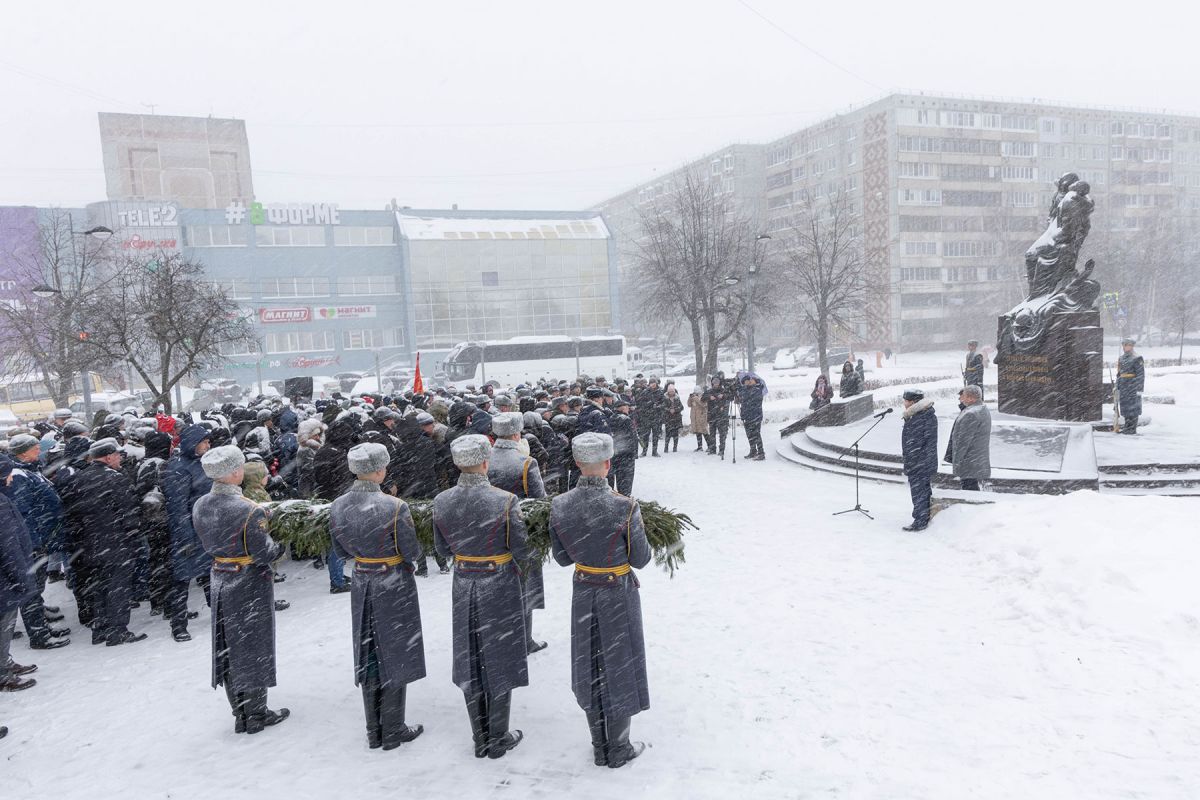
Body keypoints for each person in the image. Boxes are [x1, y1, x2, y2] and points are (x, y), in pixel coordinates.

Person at [549, 432, 651, 769]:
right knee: (619, 663)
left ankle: (598, 744)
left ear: (578, 463)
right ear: (607, 464)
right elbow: (641, 559)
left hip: (584, 589)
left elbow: (562, 558)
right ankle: (618, 747)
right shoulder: (625, 505)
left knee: (589, 664)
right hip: (617, 592)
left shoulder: (560, 504)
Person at [432, 434, 529, 760]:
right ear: (485, 463)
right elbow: (521, 548)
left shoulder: (442, 500)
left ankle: (480, 736)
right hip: (499, 582)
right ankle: (498, 737)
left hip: (464, 583)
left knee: (470, 656)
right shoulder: (504, 500)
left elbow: (442, 549)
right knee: (499, 655)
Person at [330, 443, 426, 750]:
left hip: (361, 581)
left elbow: (341, 550)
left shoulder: (338, 505)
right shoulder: (394, 506)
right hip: (393, 581)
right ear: (379, 471)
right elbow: (411, 551)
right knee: (395, 653)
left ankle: (375, 730)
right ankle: (394, 729)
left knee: (368, 654)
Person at [193, 445, 289, 735]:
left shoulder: (201, 504)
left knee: (228, 646)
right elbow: (264, 551)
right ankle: (257, 713)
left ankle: (240, 712)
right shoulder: (248, 509)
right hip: (249, 581)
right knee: (253, 646)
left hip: (220, 576)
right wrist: (280, 544)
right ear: (235, 472)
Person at [63, 438, 146, 646]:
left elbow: (70, 514)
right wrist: (133, 536)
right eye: (118, 455)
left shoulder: (78, 478)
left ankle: (99, 629)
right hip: (116, 542)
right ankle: (117, 630)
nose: (120, 458)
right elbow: (130, 513)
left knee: (99, 586)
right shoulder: (115, 479)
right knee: (118, 587)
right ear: (108, 457)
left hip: (88, 544)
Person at [487, 413, 548, 654]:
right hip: (521, 533)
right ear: (516, 434)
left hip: (488, 533)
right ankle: (524, 639)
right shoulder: (526, 462)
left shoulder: (484, 460)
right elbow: (539, 501)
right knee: (524, 588)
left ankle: (498, 633)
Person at [6, 434, 69, 650]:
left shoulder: (30, 471)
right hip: (33, 544)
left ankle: (41, 627)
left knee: (36, 589)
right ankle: (39, 635)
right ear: (22, 452)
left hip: (42, 538)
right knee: (31, 591)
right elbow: (24, 515)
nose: (38, 451)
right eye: (34, 448)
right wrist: (36, 543)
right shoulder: (18, 477)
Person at [163, 424, 213, 641]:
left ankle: (221, 615)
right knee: (182, 581)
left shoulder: (202, 464)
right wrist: (184, 537)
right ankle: (178, 625)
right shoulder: (178, 468)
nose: (208, 444)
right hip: (188, 532)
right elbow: (177, 507)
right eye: (204, 441)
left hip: (205, 530)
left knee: (212, 575)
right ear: (194, 443)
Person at [0, 455, 38, 693]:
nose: (12, 478)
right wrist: (21, 577)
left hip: (6, 576)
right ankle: (3, 673)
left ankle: (5, 662)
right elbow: (8, 545)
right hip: (5, 578)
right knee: (4, 624)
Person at [314, 415, 361, 593]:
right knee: (337, 540)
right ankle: (337, 581)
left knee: (334, 539)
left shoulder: (324, 450)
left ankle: (338, 574)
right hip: (337, 499)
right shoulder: (337, 453)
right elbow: (343, 478)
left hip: (326, 497)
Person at [900, 389, 938, 532]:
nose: (904, 403)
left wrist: (916, 460)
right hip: (918, 461)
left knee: (920, 492)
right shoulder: (918, 414)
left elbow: (923, 442)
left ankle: (920, 521)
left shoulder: (923, 416)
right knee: (921, 491)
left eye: (906, 400)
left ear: (913, 402)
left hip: (920, 462)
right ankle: (922, 517)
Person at [945, 385, 991, 491]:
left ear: (971, 398)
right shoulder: (981, 409)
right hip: (975, 461)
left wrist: (957, 463)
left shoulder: (971, 414)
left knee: (970, 492)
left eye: (964, 396)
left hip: (968, 462)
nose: (961, 399)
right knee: (972, 489)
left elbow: (963, 442)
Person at [609, 398, 638, 496]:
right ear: (622, 408)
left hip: (614, 454)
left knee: (612, 483)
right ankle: (624, 504)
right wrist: (633, 453)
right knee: (625, 486)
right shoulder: (626, 419)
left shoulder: (610, 418)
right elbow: (632, 438)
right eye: (626, 407)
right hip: (626, 456)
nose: (628, 409)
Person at [1117, 338, 1145, 435]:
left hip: (1133, 386)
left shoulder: (1137, 358)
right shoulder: (1121, 358)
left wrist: (1139, 389)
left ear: (1132, 346)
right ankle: (1127, 427)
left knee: (1133, 409)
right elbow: (1119, 374)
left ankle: (1132, 429)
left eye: (1128, 345)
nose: (1126, 347)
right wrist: (1117, 386)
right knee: (1125, 408)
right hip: (1124, 387)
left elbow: (1141, 375)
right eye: (1125, 345)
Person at [737, 374, 766, 461]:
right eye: (749, 380)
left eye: (751, 380)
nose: (750, 381)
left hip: (755, 416)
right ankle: (753, 451)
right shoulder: (747, 390)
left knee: (756, 435)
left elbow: (749, 399)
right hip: (747, 416)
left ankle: (761, 453)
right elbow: (744, 399)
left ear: (755, 381)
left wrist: (743, 392)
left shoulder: (758, 389)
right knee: (749, 435)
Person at [636, 377, 665, 457]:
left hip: (656, 417)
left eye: (654, 383)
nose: (653, 384)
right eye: (651, 383)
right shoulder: (645, 392)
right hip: (647, 417)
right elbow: (640, 403)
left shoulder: (660, 392)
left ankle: (654, 451)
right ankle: (644, 451)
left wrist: (658, 406)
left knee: (655, 436)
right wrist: (649, 404)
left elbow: (664, 403)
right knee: (645, 435)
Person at [702, 376, 730, 457]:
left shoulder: (723, 391)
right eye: (714, 382)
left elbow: (730, 397)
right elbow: (702, 399)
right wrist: (709, 397)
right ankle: (712, 449)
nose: (716, 384)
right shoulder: (709, 391)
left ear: (720, 383)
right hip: (712, 416)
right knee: (712, 434)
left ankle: (722, 450)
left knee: (722, 434)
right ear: (712, 383)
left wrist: (723, 396)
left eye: (717, 382)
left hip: (722, 416)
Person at [662, 384, 683, 454]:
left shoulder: (677, 398)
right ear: (668, 392)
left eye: (672, 391)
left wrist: (675, 410)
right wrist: (669, 410)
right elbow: (663, 407)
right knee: (668, 434)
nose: (671, 393)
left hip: (676, 418)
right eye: (670, 391)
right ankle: (666, 447)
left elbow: (681, 407)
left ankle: (675, 447)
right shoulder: (665, 398)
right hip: (668, 418)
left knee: (675, 434)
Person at [687, 387, 710, 452]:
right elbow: (689, 405)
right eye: (695, 392)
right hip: (694, 417)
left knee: (704, 432)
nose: (696, 393)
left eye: (697, 392)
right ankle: (700, 447)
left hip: (702, 417)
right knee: (697, 432)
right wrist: (690, 398)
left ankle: (710, 446)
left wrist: (696, 398)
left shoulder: (703, 396)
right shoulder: (693, 397)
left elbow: (703, 405)